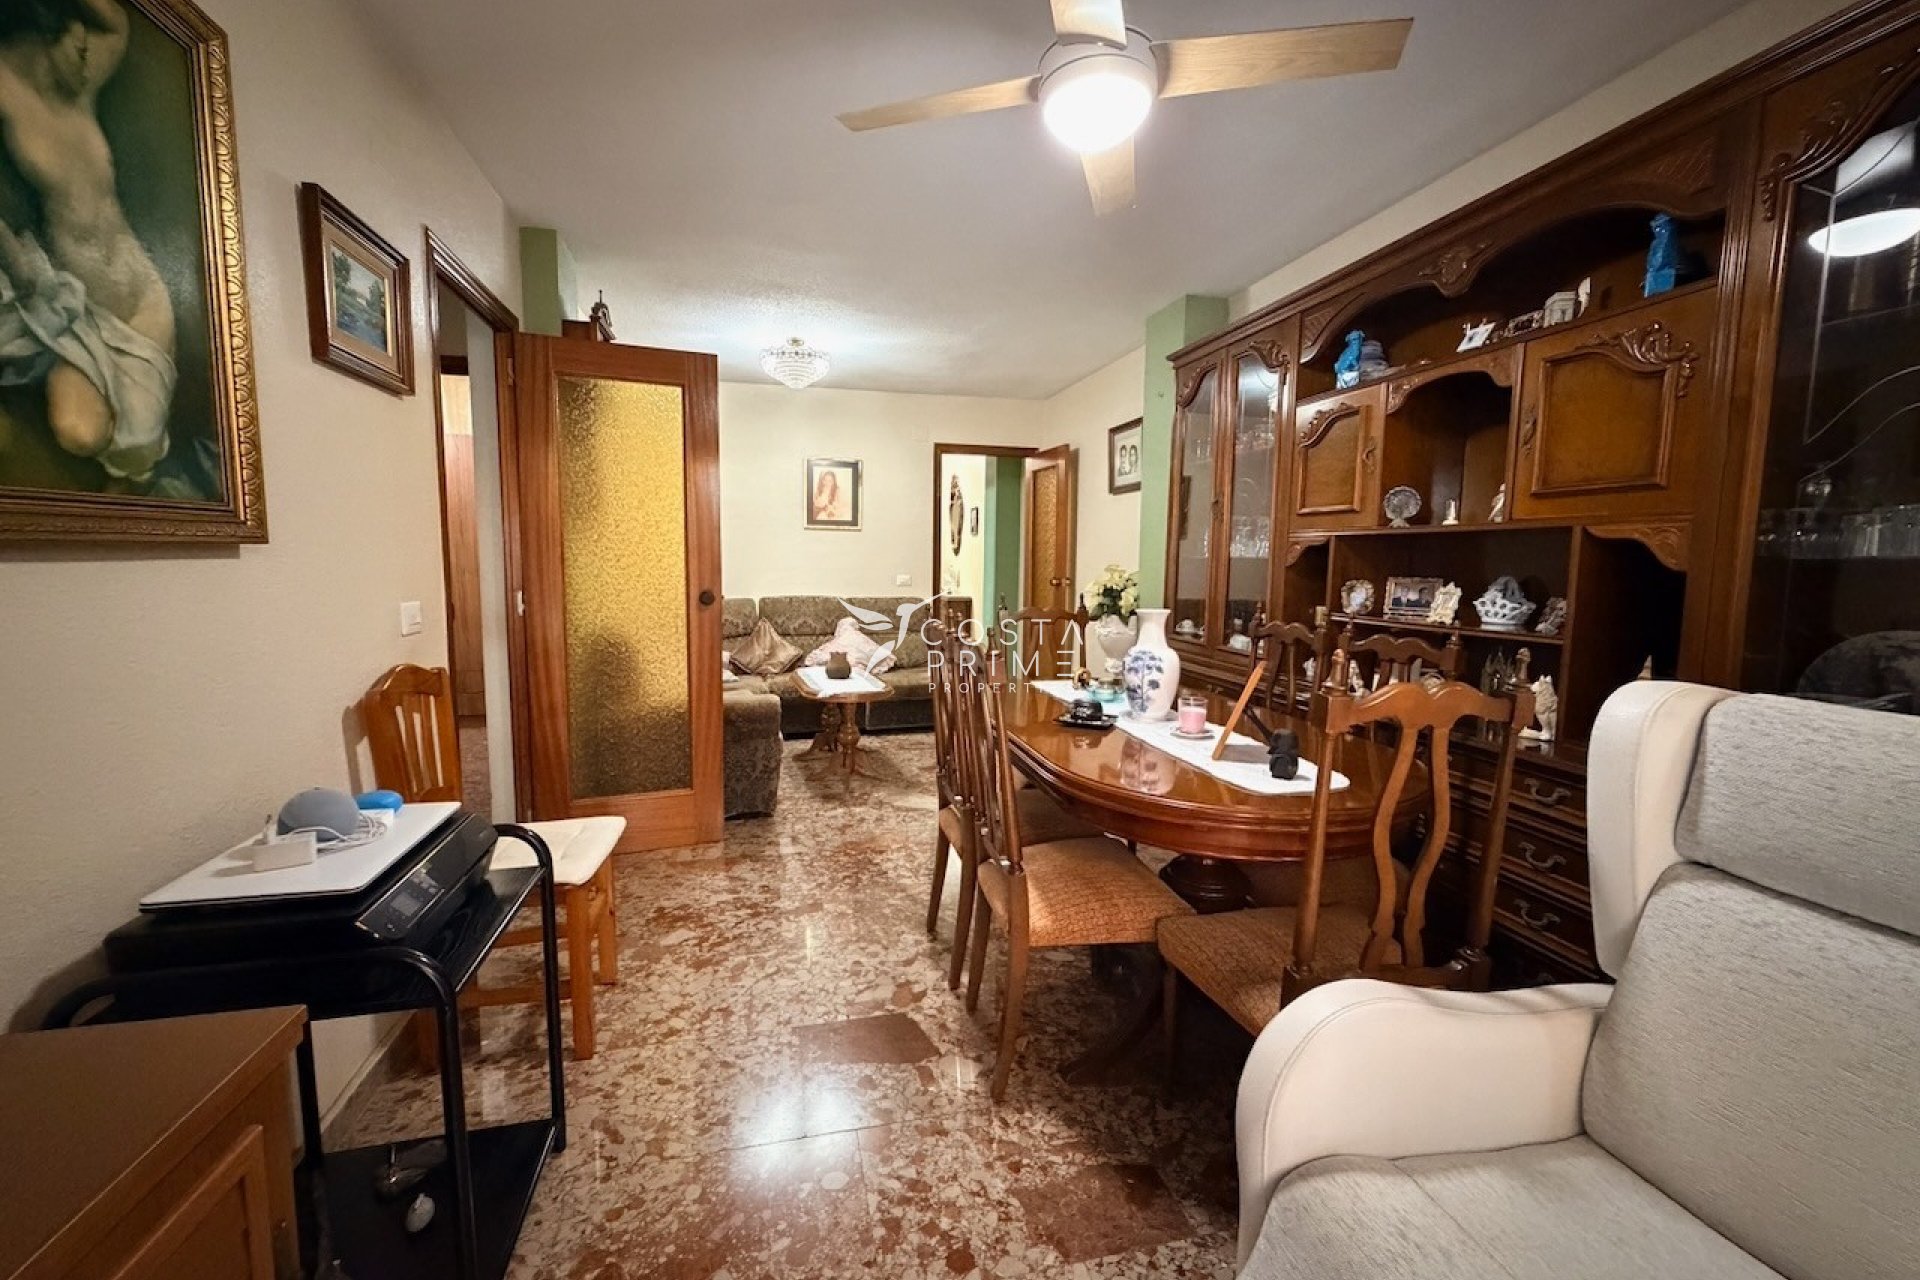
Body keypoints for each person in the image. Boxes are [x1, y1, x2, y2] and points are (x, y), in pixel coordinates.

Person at [0, 0, 177, 482]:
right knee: (79, 432)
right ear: (45, 35)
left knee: (137, 448)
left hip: (142, 296)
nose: (88, 62)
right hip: (82, 313)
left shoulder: (80, 92)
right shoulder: (9, 91)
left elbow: (114, 22)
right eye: (78, 48)